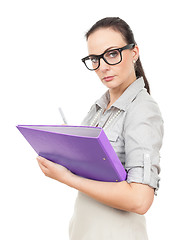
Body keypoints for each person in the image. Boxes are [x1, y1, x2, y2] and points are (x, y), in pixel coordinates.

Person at [37, 17, 164, 240]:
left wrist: (66, 177)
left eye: (112, 54)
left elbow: (140, 200)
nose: (102, 66)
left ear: (134, 52)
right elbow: (90, 171)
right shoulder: (99, 107)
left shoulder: (143, 110)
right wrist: (62, 148)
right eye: (94, 58)